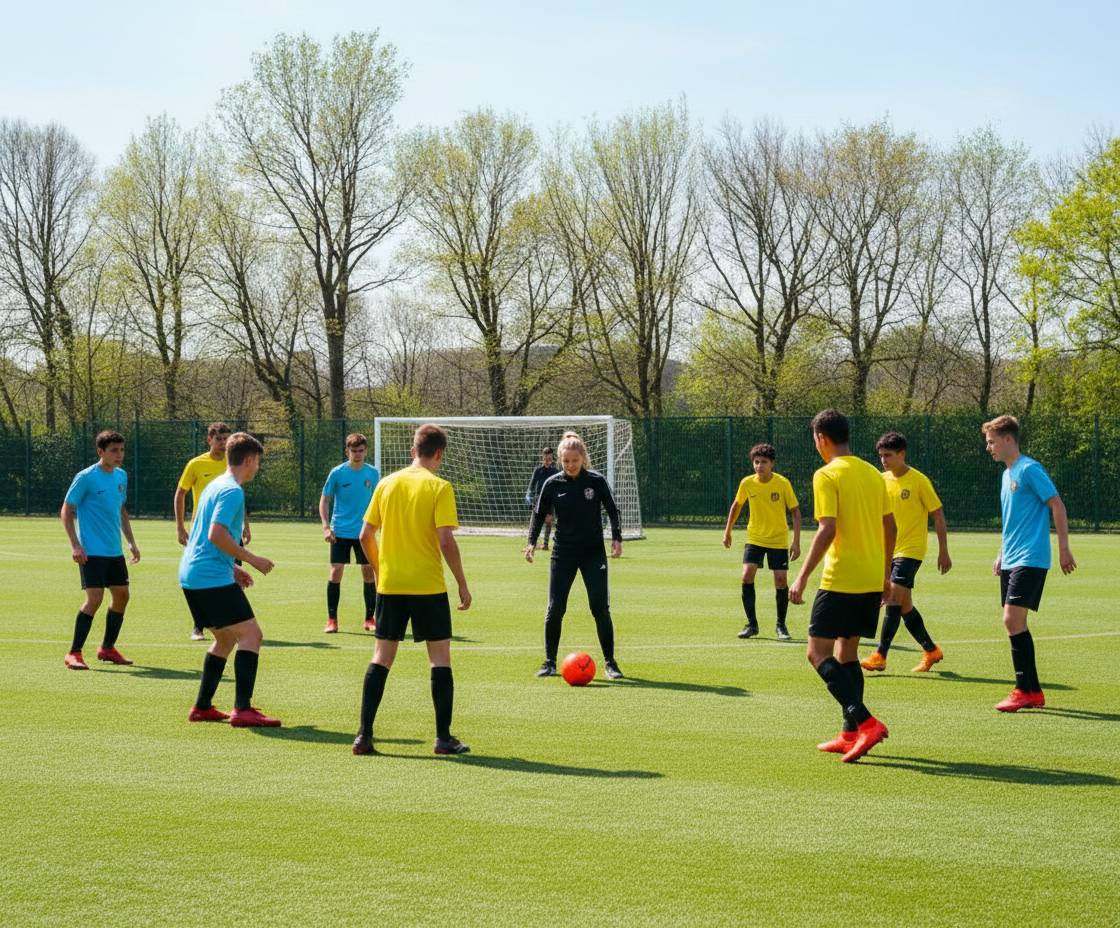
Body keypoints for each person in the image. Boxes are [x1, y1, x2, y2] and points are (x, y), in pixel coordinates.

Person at [352, 424, 472, 756]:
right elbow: (446, 540)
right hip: (427, 586)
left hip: (391, 585)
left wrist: (379, 570)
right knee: (439, 659)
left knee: (381, 658)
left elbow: (365, 536)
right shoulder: (440, 487)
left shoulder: (386, 483)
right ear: (439, 454)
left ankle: (364, 736)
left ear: (412, 450)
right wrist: (462, 583)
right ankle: (443, 739)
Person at [789, 410, 895, 763]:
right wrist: (884, 575)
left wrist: (802, 576)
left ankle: (865, 722)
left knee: (816, 652)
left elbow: (828, 528)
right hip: (869, 576)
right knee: (846, 654)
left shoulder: (826, 474)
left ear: (821, 438)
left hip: (842, 577)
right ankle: (849, 732)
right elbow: (889, 526)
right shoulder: (873, 474)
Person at [181, 432, 280, 727]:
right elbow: (216, 534)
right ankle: (243, 709)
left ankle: (202, 707)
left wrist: (232, 568)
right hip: (209, 577)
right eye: (257, 462)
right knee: (252, 635)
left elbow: (203, 536)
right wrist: (251, 559)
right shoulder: (232, 491)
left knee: (225, 639)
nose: (257, 468)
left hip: (193, 574)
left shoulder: (215, 485)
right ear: (248, 460)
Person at [983, 415, 1076, 712]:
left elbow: (1056, 504)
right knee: (1014, 623)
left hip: (1031, 557)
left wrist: (1063, 548)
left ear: (1008, 439)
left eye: (992, 441)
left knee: (1012, 620)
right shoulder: (1005, 475)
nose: (989, 448)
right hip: (1011, 557)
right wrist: (1001, 552)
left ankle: (1025, 689)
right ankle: (1031, 691)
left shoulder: (1029, 469)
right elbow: (1013, 521)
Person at [524, 431, 624, 680]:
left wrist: (617, 539)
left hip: (593, 554)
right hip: (563, 554)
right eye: (566, 461)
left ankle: (611, 663)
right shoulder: (553, 484)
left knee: (600, 608)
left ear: (583, 458)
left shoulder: (596, 481)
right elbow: (538, 515)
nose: (570, 465)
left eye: (575, 461)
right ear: (560, 459)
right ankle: (549, 662)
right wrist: (531, 542)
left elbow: (613, 510)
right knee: (555, 608)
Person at [861, 431, 952, 673]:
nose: (883, 460)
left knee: (892, 600)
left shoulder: (919, 481)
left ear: (902, 454)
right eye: (881, 455)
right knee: (904, 606)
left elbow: (938, 514)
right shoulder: (880, 480)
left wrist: (944, 550)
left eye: (888, 455)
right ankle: (931, 650)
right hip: (887, 551)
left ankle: (880, 655)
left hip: (910, 550)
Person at [60, 430, 140, 670]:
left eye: (122, 450)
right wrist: (75, 544)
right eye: (114, 450)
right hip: (91, 551)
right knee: (94, 599)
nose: (119, 455)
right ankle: (73, 652)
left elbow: (121, 510)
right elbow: (66, 510)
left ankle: (107, 648)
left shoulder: (121, 476)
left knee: (122, 596)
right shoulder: (86, 477)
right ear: (100, 452)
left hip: (114, 551)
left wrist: (131, 542)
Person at [174, 422, 251, 641]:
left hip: (230, 530)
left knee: (233, 576)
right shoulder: (196, 464)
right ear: (209, 440)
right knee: (205, 574)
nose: (223, 442)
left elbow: (238, 497)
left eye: (226, 438)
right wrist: (180, 526)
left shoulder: (232, 464)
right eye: (219, 439)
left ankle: (233, 621)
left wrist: (245, 524)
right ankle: (199, 625)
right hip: (204, 533)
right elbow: (181, 493)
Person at [722, 442, 801, 641]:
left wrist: (796, 542)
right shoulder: (747, 483)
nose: (759, 466)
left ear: (772, 463)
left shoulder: (782, 483)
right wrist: (728, 531)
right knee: (747, 576)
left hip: (778, 540)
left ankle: (781, 626)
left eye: (763, 462)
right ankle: (752, 624)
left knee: (781, 581)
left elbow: (796, 512)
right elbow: (736, 505)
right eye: (756, 462)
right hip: (755, 538)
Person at [319, 433, 380, 634]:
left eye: (361, 451)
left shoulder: (373, 473)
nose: (357, 454)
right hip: (340, 531)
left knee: (368, 572)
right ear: (347, 451)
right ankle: (332, 620)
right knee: (336, 571)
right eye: (354, 451)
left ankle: (370, 618)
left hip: (364, 532)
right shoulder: (337, 473)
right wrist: (326, 527)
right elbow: (325, 500)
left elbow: (378, 502)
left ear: (366, 451)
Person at [525, 447, 559, 550]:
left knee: (549, 521)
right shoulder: (538, 470)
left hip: (549, 501)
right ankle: (531, 545)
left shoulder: (555, 471)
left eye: (549, 458)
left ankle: (545, 544)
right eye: (545, 458)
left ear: (552, 458)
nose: (547, 460)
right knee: (533, 523)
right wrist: (528, 495)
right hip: (538, 500)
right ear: (543, 457)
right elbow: (532, 484)